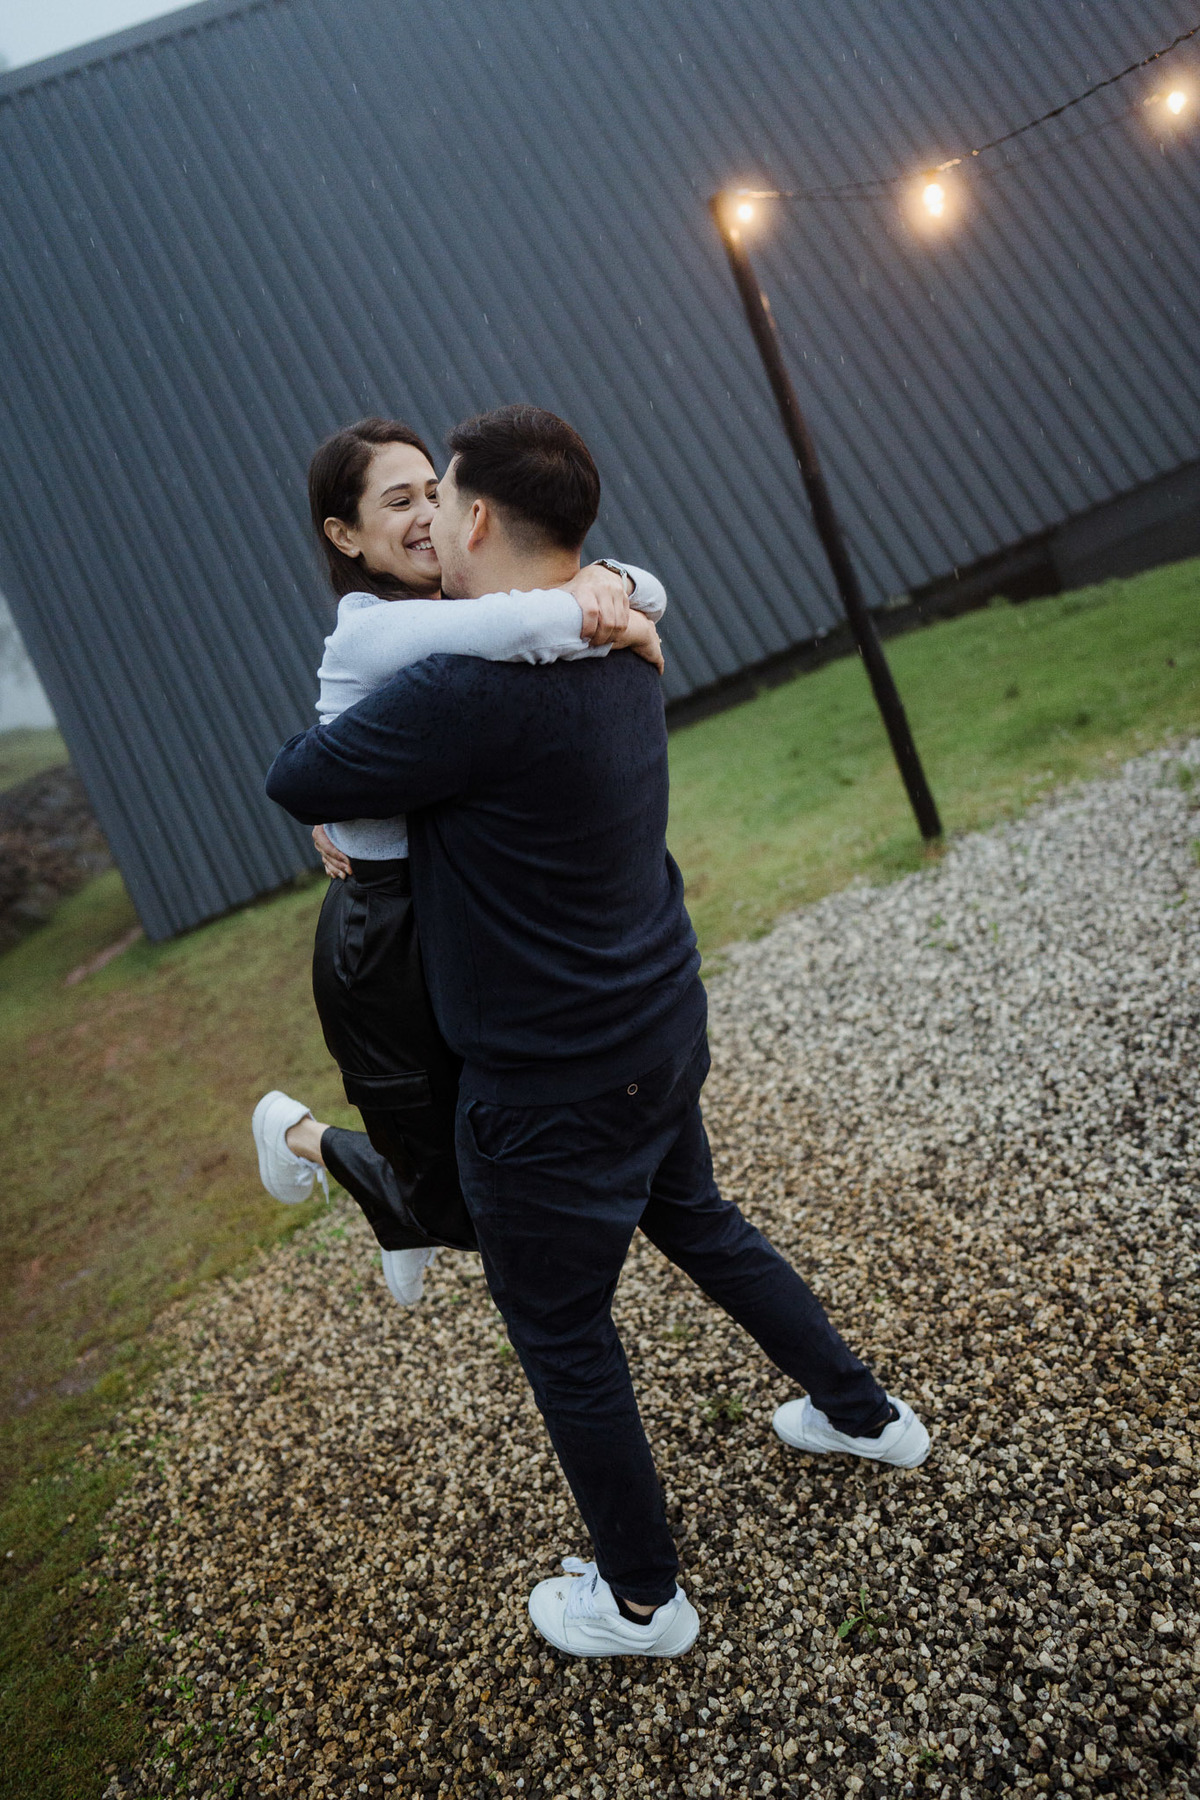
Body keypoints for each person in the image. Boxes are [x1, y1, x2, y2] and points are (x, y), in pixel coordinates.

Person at [266, 403, 929, 1662]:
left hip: (553, 1084)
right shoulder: (623, 642)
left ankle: (639, 1601)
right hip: (656, 1022)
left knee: (564, 1334)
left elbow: (299, 776)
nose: (423, 518)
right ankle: (866, 1414)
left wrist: (346, 798)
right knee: (704, 1225)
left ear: (474, 520)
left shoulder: (462, 692)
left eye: (436, 496)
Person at [251, 417, 664, 1306]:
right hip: (382, 933)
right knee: (468, 1199)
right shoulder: (369, 633)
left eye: (435, 493)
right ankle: (296, 1136)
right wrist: (617, 608)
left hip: (454, 906)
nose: (428, 514)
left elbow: (594, 602)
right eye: (398, 501)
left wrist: (617, 583)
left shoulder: (460, 609)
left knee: (492, 1163)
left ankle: (405, 1209)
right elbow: (531, 624)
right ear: (345, 536)